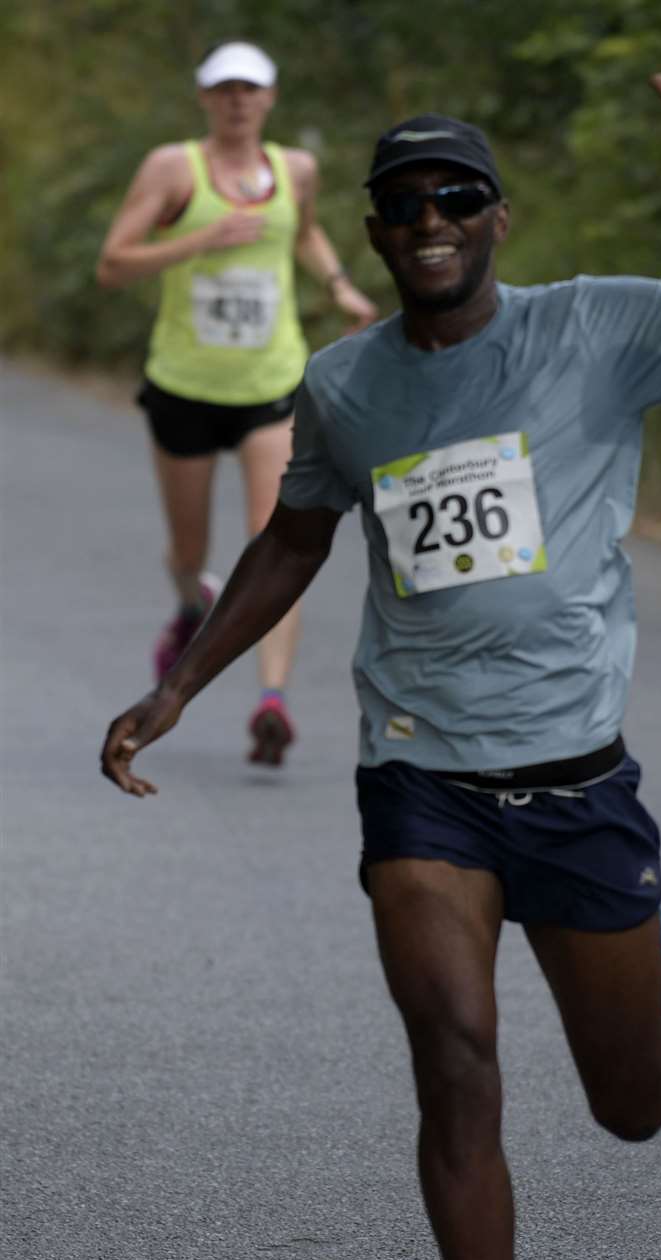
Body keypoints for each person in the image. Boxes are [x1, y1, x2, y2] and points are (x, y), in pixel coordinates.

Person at [102, 74, 661, 1260]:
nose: (428, 220)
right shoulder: (342, 384)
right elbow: (292, 539)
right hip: (421, 775)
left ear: (496, 217)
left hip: (576, 783)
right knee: (454, 1053)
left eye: (454, 198)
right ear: (377, 233)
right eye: (402, 205)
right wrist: (181, 689)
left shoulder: (600, 328)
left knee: (632, 1105)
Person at [96, 39, 378, 765]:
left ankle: (272, 701)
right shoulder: (172, 169)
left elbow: (305, 230)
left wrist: (339, 283)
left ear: (271, 97)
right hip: (185, 386)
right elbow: (113, 264)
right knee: (190, 551)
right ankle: (192, 605)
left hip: (270, 385)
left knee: (276, 537)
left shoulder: (295, 170)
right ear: (204, 98)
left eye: (250, 89)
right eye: (224, 90)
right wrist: (199, 240)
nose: (237, 101)